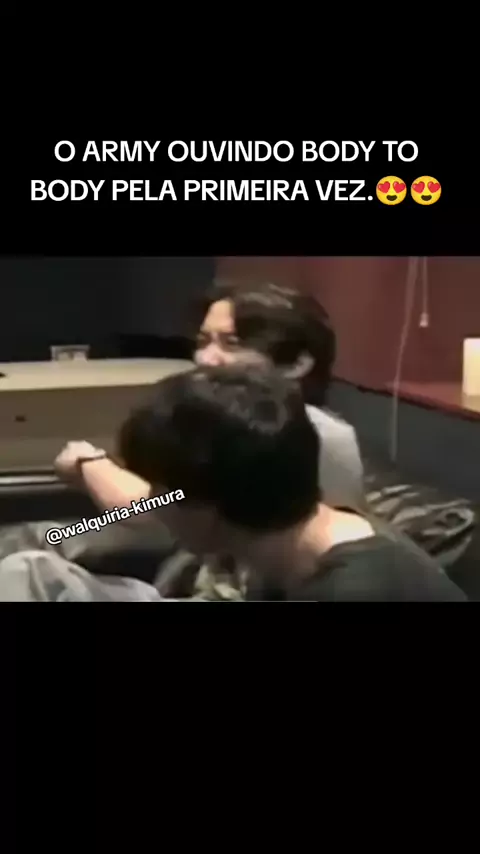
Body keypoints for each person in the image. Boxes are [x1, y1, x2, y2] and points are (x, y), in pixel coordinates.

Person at [57, 365, 466, 601]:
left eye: (160, 490)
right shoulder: (285, 548)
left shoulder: (355, 589)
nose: (153, 503)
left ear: (205, 507)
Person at [54, 281, 364, 516]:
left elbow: (157, 510)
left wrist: (89, 463)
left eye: (232, 344)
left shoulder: (319, 435)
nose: (206, 359)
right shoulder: (224, 420)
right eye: (203, 342)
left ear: (297, 363)